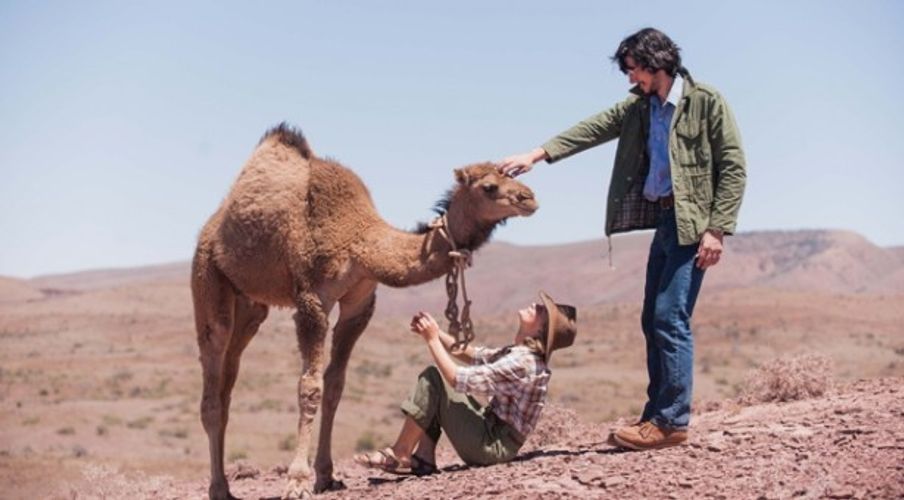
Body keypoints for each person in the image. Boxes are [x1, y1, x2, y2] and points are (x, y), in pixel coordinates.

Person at [498, 28, 746, 450]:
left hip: (693, 226)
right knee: (652, 318)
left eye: (634, 71)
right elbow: (592, 128)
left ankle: (672, 422)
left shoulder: (706, 102)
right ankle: (655, 416)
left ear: (656, 63)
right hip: (666, 222)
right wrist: (536, 155)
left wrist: (717, 229)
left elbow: (734, 167)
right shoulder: (640, 108)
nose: (632, 80)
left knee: (670, 318)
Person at [353, 291, 577, 474]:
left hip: (492, 446)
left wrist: (431, 340)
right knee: (439, 386)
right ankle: (423, 458)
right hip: (492, 434)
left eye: (540, 311)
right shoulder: (518, 354)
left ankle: (401, 452)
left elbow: (456, 378)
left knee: (435, 379)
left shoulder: (524, 362)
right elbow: (472, 356)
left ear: (540, 330)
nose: (535, 305)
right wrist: (437, 332)